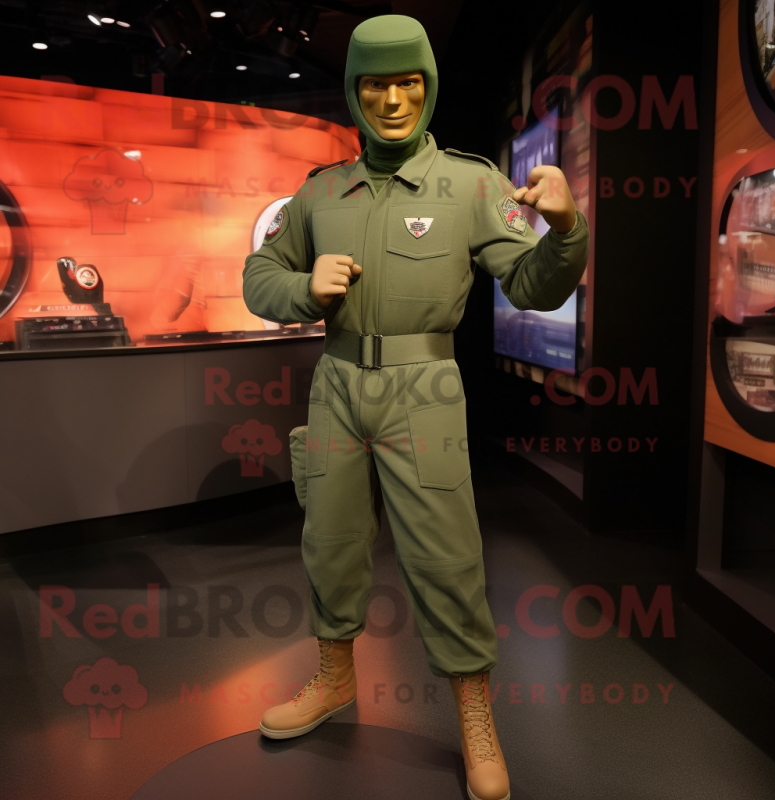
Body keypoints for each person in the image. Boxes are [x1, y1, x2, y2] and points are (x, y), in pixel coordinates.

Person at [242, 15, 589, 800]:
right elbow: (259, 276)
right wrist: (301, 287)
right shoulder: (321, 191)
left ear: (427, 88)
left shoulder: (470, 184)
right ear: (355, 91)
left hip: (423, 386)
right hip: (338, 382)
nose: (393, 100)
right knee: (330, 541)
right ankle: (334, 678)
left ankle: (475, 716)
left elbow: (534, 286)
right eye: (375, 84)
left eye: (408, 83)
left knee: (446, 555)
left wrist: (566, 228)